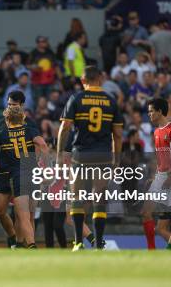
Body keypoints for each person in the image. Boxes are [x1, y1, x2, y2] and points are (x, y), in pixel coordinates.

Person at [56, 66, 124, 250]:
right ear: (100, 79)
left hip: (81, 154)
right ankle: (99, 244)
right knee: (98, 199)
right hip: (103, 154)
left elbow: (65, 128)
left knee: (76, 198)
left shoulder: (76, 98)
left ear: (82, 80)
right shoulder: (111, 101)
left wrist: (60, 153)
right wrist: (116, 160)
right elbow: (117, 134)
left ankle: (78, 242)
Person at [0, 105, 50, 249]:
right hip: (23, 173)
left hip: (11, 174)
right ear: (23, 118)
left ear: (7, 119)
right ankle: (18, 240)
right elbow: (43, 144)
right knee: (12, 212)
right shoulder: (30, 131)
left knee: (19, 214)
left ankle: (28, 245)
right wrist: (45, 168)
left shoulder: (2, 133)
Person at [142, 98, 171, 250]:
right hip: (161, 176)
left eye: (151, 111)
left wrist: (170, 176)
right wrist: (156, 176)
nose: (149, 114)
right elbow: (161, 157)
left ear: (160, 111)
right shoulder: (156, 132)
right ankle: (151, 250)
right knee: (146, 211)